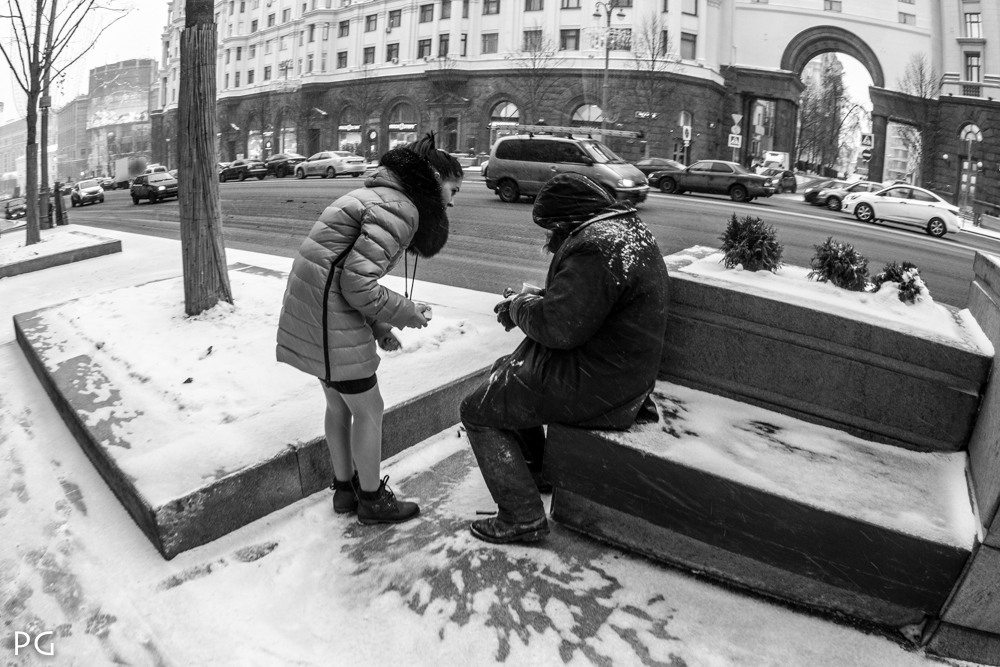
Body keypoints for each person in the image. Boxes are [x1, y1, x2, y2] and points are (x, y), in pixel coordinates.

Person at [460, 173, 670, 544]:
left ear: (564, 223)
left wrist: (519, 307)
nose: (547, 240)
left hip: (602, 383)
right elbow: (589, 303)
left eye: (549, 231)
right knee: (502, 374)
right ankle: (538, 471)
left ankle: (520, 516)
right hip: (618, 370)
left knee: (476, 410)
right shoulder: (620, 231)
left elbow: (559, 329)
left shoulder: (594, 247)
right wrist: (538, 300)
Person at [276, 132, 463, 525]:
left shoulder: (379, 196)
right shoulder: (401, 209)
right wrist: (405, 312)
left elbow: (348, 271)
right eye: (453, 188)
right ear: (434, 179)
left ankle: (345, 492)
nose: (452, 200)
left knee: (337, 405)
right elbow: (356, 284)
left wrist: (378, 327)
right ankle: (373, 500)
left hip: (314, 305)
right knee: (370, 408)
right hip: (329, 312)